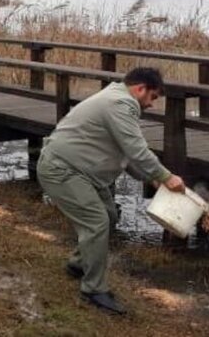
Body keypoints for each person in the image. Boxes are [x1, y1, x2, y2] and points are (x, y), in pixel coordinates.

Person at [37, 67, 186, 314]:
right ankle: (93, 289)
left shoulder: (116, 99)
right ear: (141, 89)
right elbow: (137, 149)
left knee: (110, 215)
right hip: (62, 169)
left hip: (82, 171)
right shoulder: (120, 103)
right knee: (96, 222)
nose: (152, 104)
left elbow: (125, 155)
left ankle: (79, 263)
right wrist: (166, 177)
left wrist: (151, 179)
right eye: (153, 97)